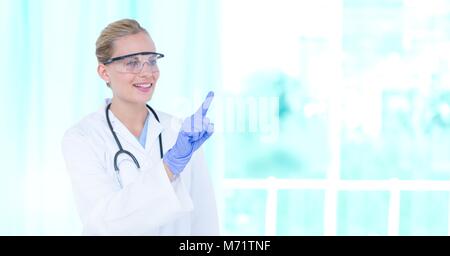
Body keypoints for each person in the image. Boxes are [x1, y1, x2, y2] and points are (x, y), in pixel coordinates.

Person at [61, 19, 219, 235]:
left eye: (152, 61)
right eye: (132, 63)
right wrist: (169, 168)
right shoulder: (82, 138)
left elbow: (204, 221)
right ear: (104, 72)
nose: (147, 72)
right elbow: (104, 222)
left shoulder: (181, 132)